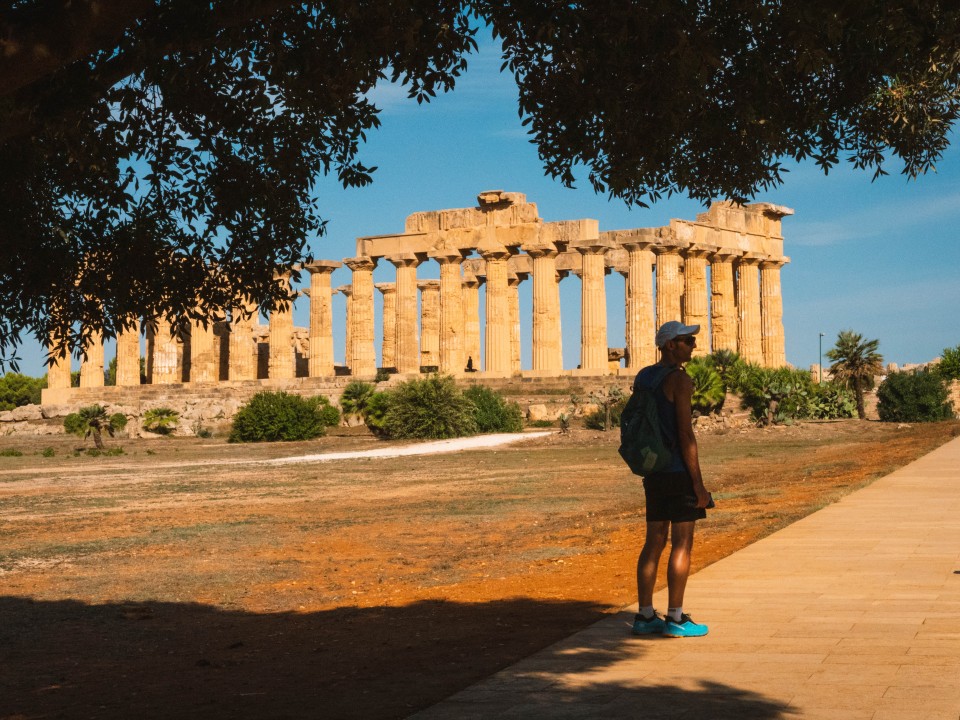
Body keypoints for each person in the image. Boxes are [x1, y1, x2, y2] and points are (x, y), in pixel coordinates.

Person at [632, 320, 713, 638]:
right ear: (670, 345)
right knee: (682, 543)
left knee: (653, 543)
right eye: (687, 341)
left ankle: (644, 615)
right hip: (678, 471)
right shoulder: (679, 380)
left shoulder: (644, 376)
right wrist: (698, 483)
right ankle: (676, 619)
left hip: (653, 470)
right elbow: (685, 433)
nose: (693, 346)